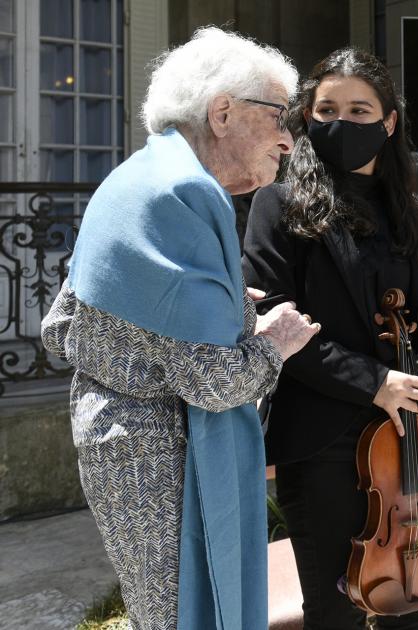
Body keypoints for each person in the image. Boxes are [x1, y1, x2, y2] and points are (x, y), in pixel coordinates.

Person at [40, 27, 320, 630]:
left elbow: (65, 324)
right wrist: (275, 339)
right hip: (157, 455)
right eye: (278, 117)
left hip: (123, 441)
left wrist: (214, 311)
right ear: (223, 113)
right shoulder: (182, 194)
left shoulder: (142, 175)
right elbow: (214, 385)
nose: (289, 140)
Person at [242, 47, 418, 630]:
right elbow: (272, 322)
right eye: (326, 110)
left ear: (389, 122)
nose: (341, 123)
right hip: (322, 434)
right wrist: (374, 382)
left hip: (402, 440)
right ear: (307, 117)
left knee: (409, 601)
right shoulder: (278, 205)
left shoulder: (408, 212)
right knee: (335, 612)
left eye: (359, 110)